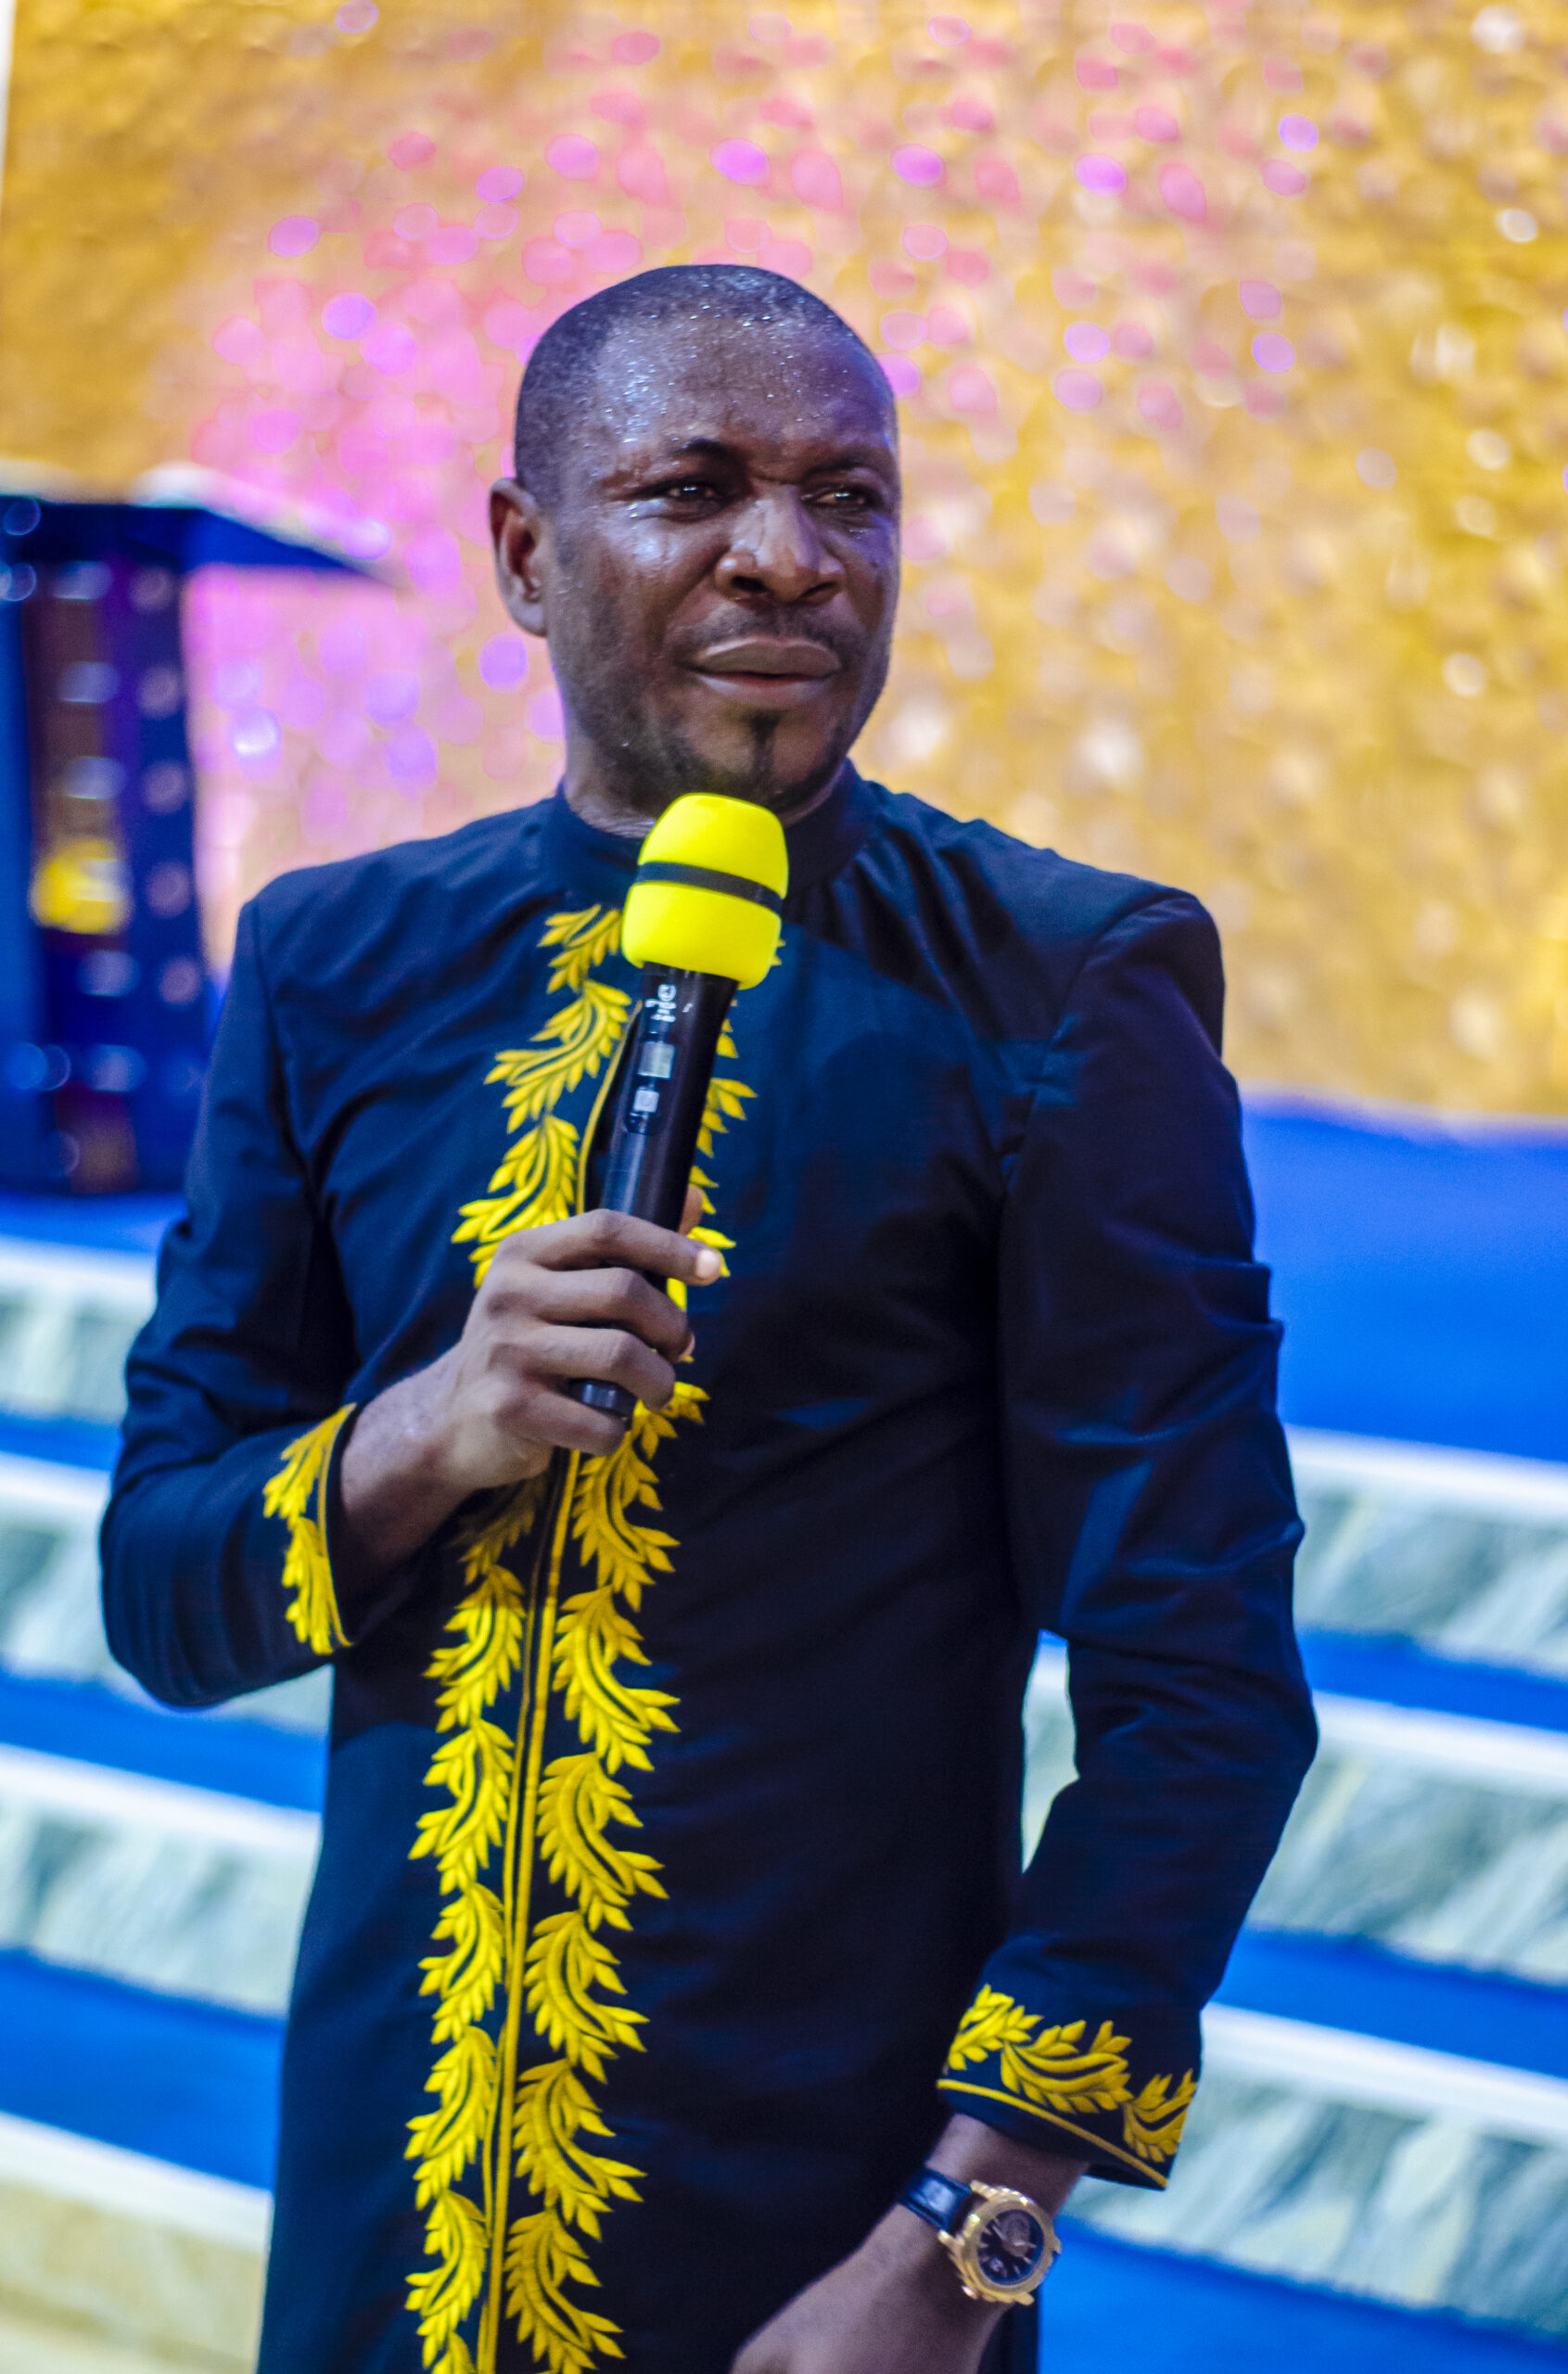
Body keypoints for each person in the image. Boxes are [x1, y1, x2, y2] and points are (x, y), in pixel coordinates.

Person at [101, 265, 1315, 2374]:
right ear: (522, 554)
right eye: (695, 487)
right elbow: (158, 1589)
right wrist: (425, 1431)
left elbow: (1200, 1686)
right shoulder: (333, 962)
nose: (789, 556)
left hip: (820, 2242)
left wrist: (959, 2246)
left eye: (850, 495)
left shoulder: (1059, 982)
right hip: (387, 2209)